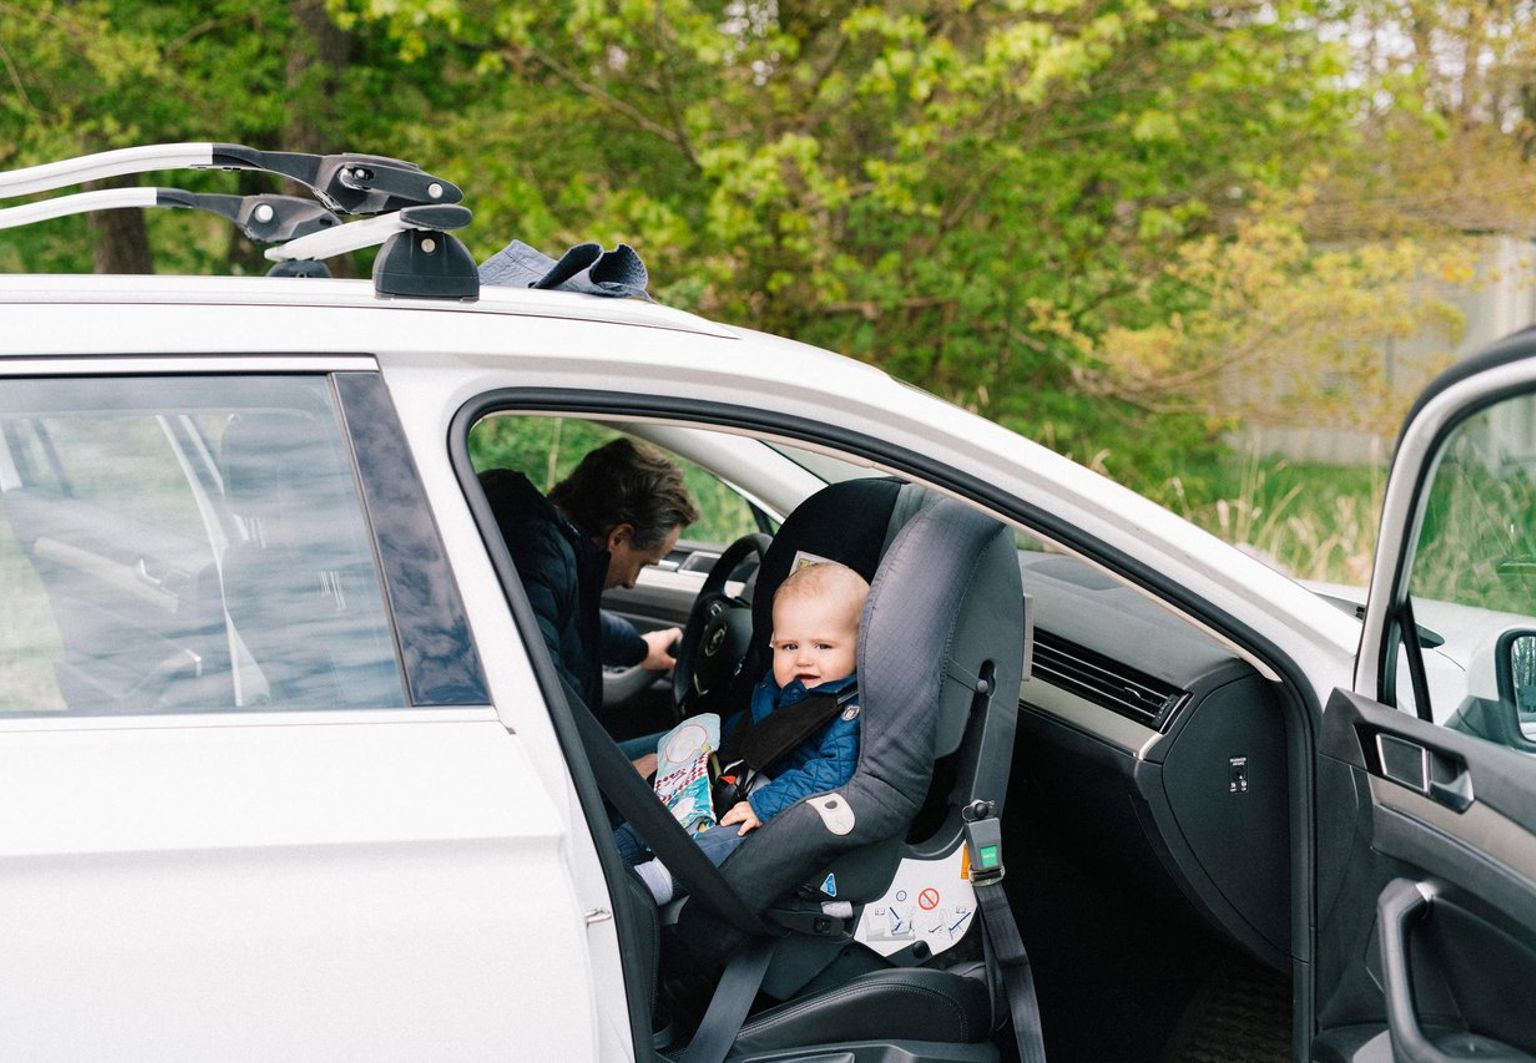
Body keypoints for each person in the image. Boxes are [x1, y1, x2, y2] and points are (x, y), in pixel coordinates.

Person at [616, 561, 869, 905]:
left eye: (823, 646)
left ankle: (652, 884)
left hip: (780, 815)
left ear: (860, 647)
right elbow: (746, 732)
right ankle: (611, 854)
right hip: (737, 784)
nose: (803, 660)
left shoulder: (849, 712)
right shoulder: (775, 689)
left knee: (727, 840)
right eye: (789, 647)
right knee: (655, 812)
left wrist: (762, 806)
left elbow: (831, 773)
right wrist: (700, 763)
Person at [479, 437, 700, 710]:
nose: (632, 582)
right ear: (618, 537)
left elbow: (581, 623)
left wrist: (642, 649)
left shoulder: (554, 552)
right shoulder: (538, 561)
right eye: (642, 564)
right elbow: (536, 702)